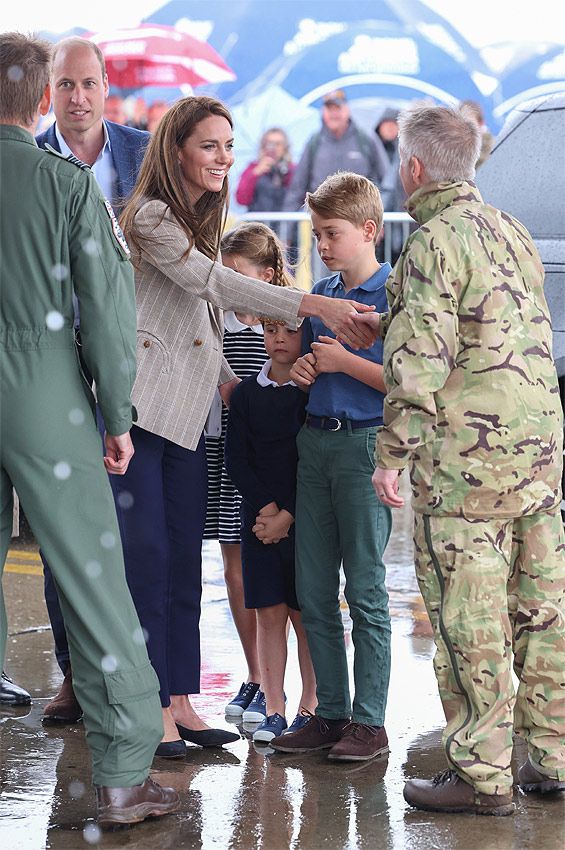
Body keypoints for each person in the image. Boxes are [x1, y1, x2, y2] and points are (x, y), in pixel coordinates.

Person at [113, 95, 380, 759]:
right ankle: (153, 711)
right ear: (177, 150)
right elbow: (211, 286)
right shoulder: (149, 216)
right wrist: (308, 300)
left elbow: (200, 314)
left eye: (229, 146)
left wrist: (230, 382)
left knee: (181, 564)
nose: (224, 159)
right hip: (145, 410)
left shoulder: (202, 218)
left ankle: (180, 700)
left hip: (185, 417)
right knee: (149, 563)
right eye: (210, 146)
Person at [0, 32, 178, 826]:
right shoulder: (66, 183)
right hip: (43, 384)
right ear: (43, 102)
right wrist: (117, 415)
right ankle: (121, 775)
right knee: (93, 581)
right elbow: (108, 311)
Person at [371, 104, 565, 814]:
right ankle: (549, 760)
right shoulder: (508, 229)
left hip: (465, 473)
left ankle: (482, 778)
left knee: (469, 618)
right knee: (540, 612)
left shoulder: (431, 242)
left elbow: (421, 361)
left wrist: (391, 454)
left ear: (414, 169)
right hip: (537, 458)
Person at [35, 37, 151, 726]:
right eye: (65, 85)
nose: (78, 98)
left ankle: (152, 682)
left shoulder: (142, 157)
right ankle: (75, 673)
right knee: (63, 536)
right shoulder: (28, 159)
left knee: (143, 536)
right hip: (56, 369)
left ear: (107, 86)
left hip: (145, 361)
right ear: (47, 92)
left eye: (88, 83)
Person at [270, 171, 393, 762]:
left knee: (365, 589)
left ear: (369, 230)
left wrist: (342, 361)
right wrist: (302, 372)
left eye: (332, 233)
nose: (322, 244)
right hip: (314, 445)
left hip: (365, 448)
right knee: (314, 589)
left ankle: (370, 721)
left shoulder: (394, 296)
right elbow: (297, 371)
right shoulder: (320, 294)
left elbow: (403, 383)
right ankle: (331, 712)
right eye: (317, 233)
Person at [225, 316, 317, 743]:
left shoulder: (312, 395)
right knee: (268, 614)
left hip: (304, 520)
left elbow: (313, 463)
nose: (279, 339)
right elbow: (237, 460)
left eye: (290, 331)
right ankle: (274, 706)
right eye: (270, 330)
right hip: (258, 522)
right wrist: (266, 512)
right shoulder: (245, 393)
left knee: (305, 617)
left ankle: (309, 707)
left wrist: (288, 516)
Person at [204, 223, 284, 718]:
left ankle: (275, 679)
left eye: (238, 276)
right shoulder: (218, 321)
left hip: (263, 463)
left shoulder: (281, 323)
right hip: (222, 451)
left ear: (267, 275)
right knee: (233, 567)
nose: (229, 288)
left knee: (266, 572)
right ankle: (254, 671)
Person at [283, 90, 389, 212]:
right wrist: (286, 228)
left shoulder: (366, 140)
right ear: (323, 112)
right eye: (329, 109)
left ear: (347, 110)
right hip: (321, 219)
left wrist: (379, 217)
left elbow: (386, 183)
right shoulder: (314, 143)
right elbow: (297, 188)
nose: (334, 114)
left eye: (337, 108)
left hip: (358, 219)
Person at [235, 128, 295, 227]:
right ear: (263, 146)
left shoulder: (292, 169)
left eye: (278, 144)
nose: (273, 148)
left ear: (285, 147)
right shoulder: (253, 168)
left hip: (285, 227)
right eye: (270, 143)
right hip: (257, 228)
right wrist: (255, 174)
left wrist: (284, 173)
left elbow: (298, 196)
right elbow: (241, 199)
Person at [458, 99, 494, 168]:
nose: (463, 128)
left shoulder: (493, 149)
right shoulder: (451, 149)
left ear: (481, 123)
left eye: (469, 124)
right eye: (460, 122)